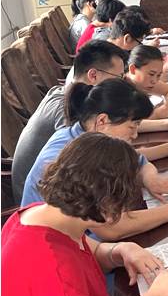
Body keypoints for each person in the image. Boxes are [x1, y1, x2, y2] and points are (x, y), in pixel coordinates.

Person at [2, 132, 168, 296]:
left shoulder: (44, 216)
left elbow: (92, 251)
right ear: (107, 203)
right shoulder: (48, 259)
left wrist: (121, 250)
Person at [20, 79, 168, 241]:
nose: (135, 135)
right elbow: (112, 227)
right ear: (102, 121)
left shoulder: (86, 138)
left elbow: (138, 160)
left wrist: (151, 178)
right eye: (132, 126)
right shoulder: (74, 158)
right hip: (61, 247)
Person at [12, 41, 127, 204]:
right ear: (93, 75)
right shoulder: (66, 108)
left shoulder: (72, 95)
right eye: (119, 78)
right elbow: (90, 156)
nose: (122, 84)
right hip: (40, 201)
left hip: (60, 188)